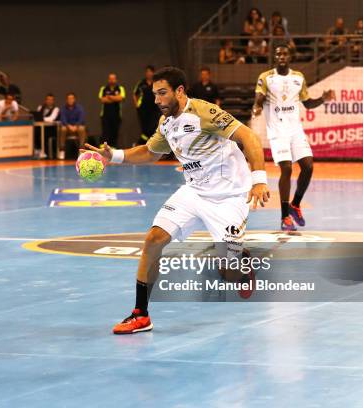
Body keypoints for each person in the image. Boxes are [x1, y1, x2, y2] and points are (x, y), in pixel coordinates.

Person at [84, 66, 269, 334]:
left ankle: (243, 263)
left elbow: (248, 136)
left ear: (179, 91)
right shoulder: (166, 123)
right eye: (154, 94)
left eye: (162, 93)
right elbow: (150, 152)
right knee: (153, 239)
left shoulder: (204, 112)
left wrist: (259, 179)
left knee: (229, 273)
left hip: (228, 196)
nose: (157, 100)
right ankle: (141, 314)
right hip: (193, 191)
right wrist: (114, 156)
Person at [253, 44, 335, 232]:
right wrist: (256, 108)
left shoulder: (298, 78)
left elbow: (308, 103)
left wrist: (323, 99)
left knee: (308, 166)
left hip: (295, 129)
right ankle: (284, 217)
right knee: (287, 168)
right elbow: (258, 99)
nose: (281, 56)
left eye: (285, 53)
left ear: (290, 57)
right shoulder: (266, 77)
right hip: (277, 130)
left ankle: (295, 204)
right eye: (278, 53)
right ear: (275, 58)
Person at [133, 65, 161, 145]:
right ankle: (141, 146)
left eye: (150, 72)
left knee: (152, 127)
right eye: (147, 72)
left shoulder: (156, 83)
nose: (148, 74)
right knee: (145, 129)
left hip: (154, 108)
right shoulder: (141, 83)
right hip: (143, 109)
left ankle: (141, 145)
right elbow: (135, 94)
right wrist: (137, 105)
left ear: (153, 73)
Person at [99, 73, 125, 147]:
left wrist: (109, 97)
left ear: (116, 79)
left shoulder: (120, 88)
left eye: (113, 79)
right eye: (110, 79)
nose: (112, 80)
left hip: (117, 115)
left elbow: (120, 98)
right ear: (108, 80)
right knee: (105, 132)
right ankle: (104, 148)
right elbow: (102, 100)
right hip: (105, 115)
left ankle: (113, 148)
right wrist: (115, 98)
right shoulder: (103, 88)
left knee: (115, 132)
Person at [58, 92, 86, 160]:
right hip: (67, 128)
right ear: (66, 100)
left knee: (82, 128)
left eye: (72, 98)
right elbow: (63, 119)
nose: (70, 100)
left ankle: (81, 150)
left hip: (77, 127)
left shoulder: (79, 108)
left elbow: (81, 118)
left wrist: (76, 126)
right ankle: (62, 149)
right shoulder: (63, 108)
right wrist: (68, 126)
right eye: (69, 98)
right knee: (63, 128)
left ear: (74, 99)